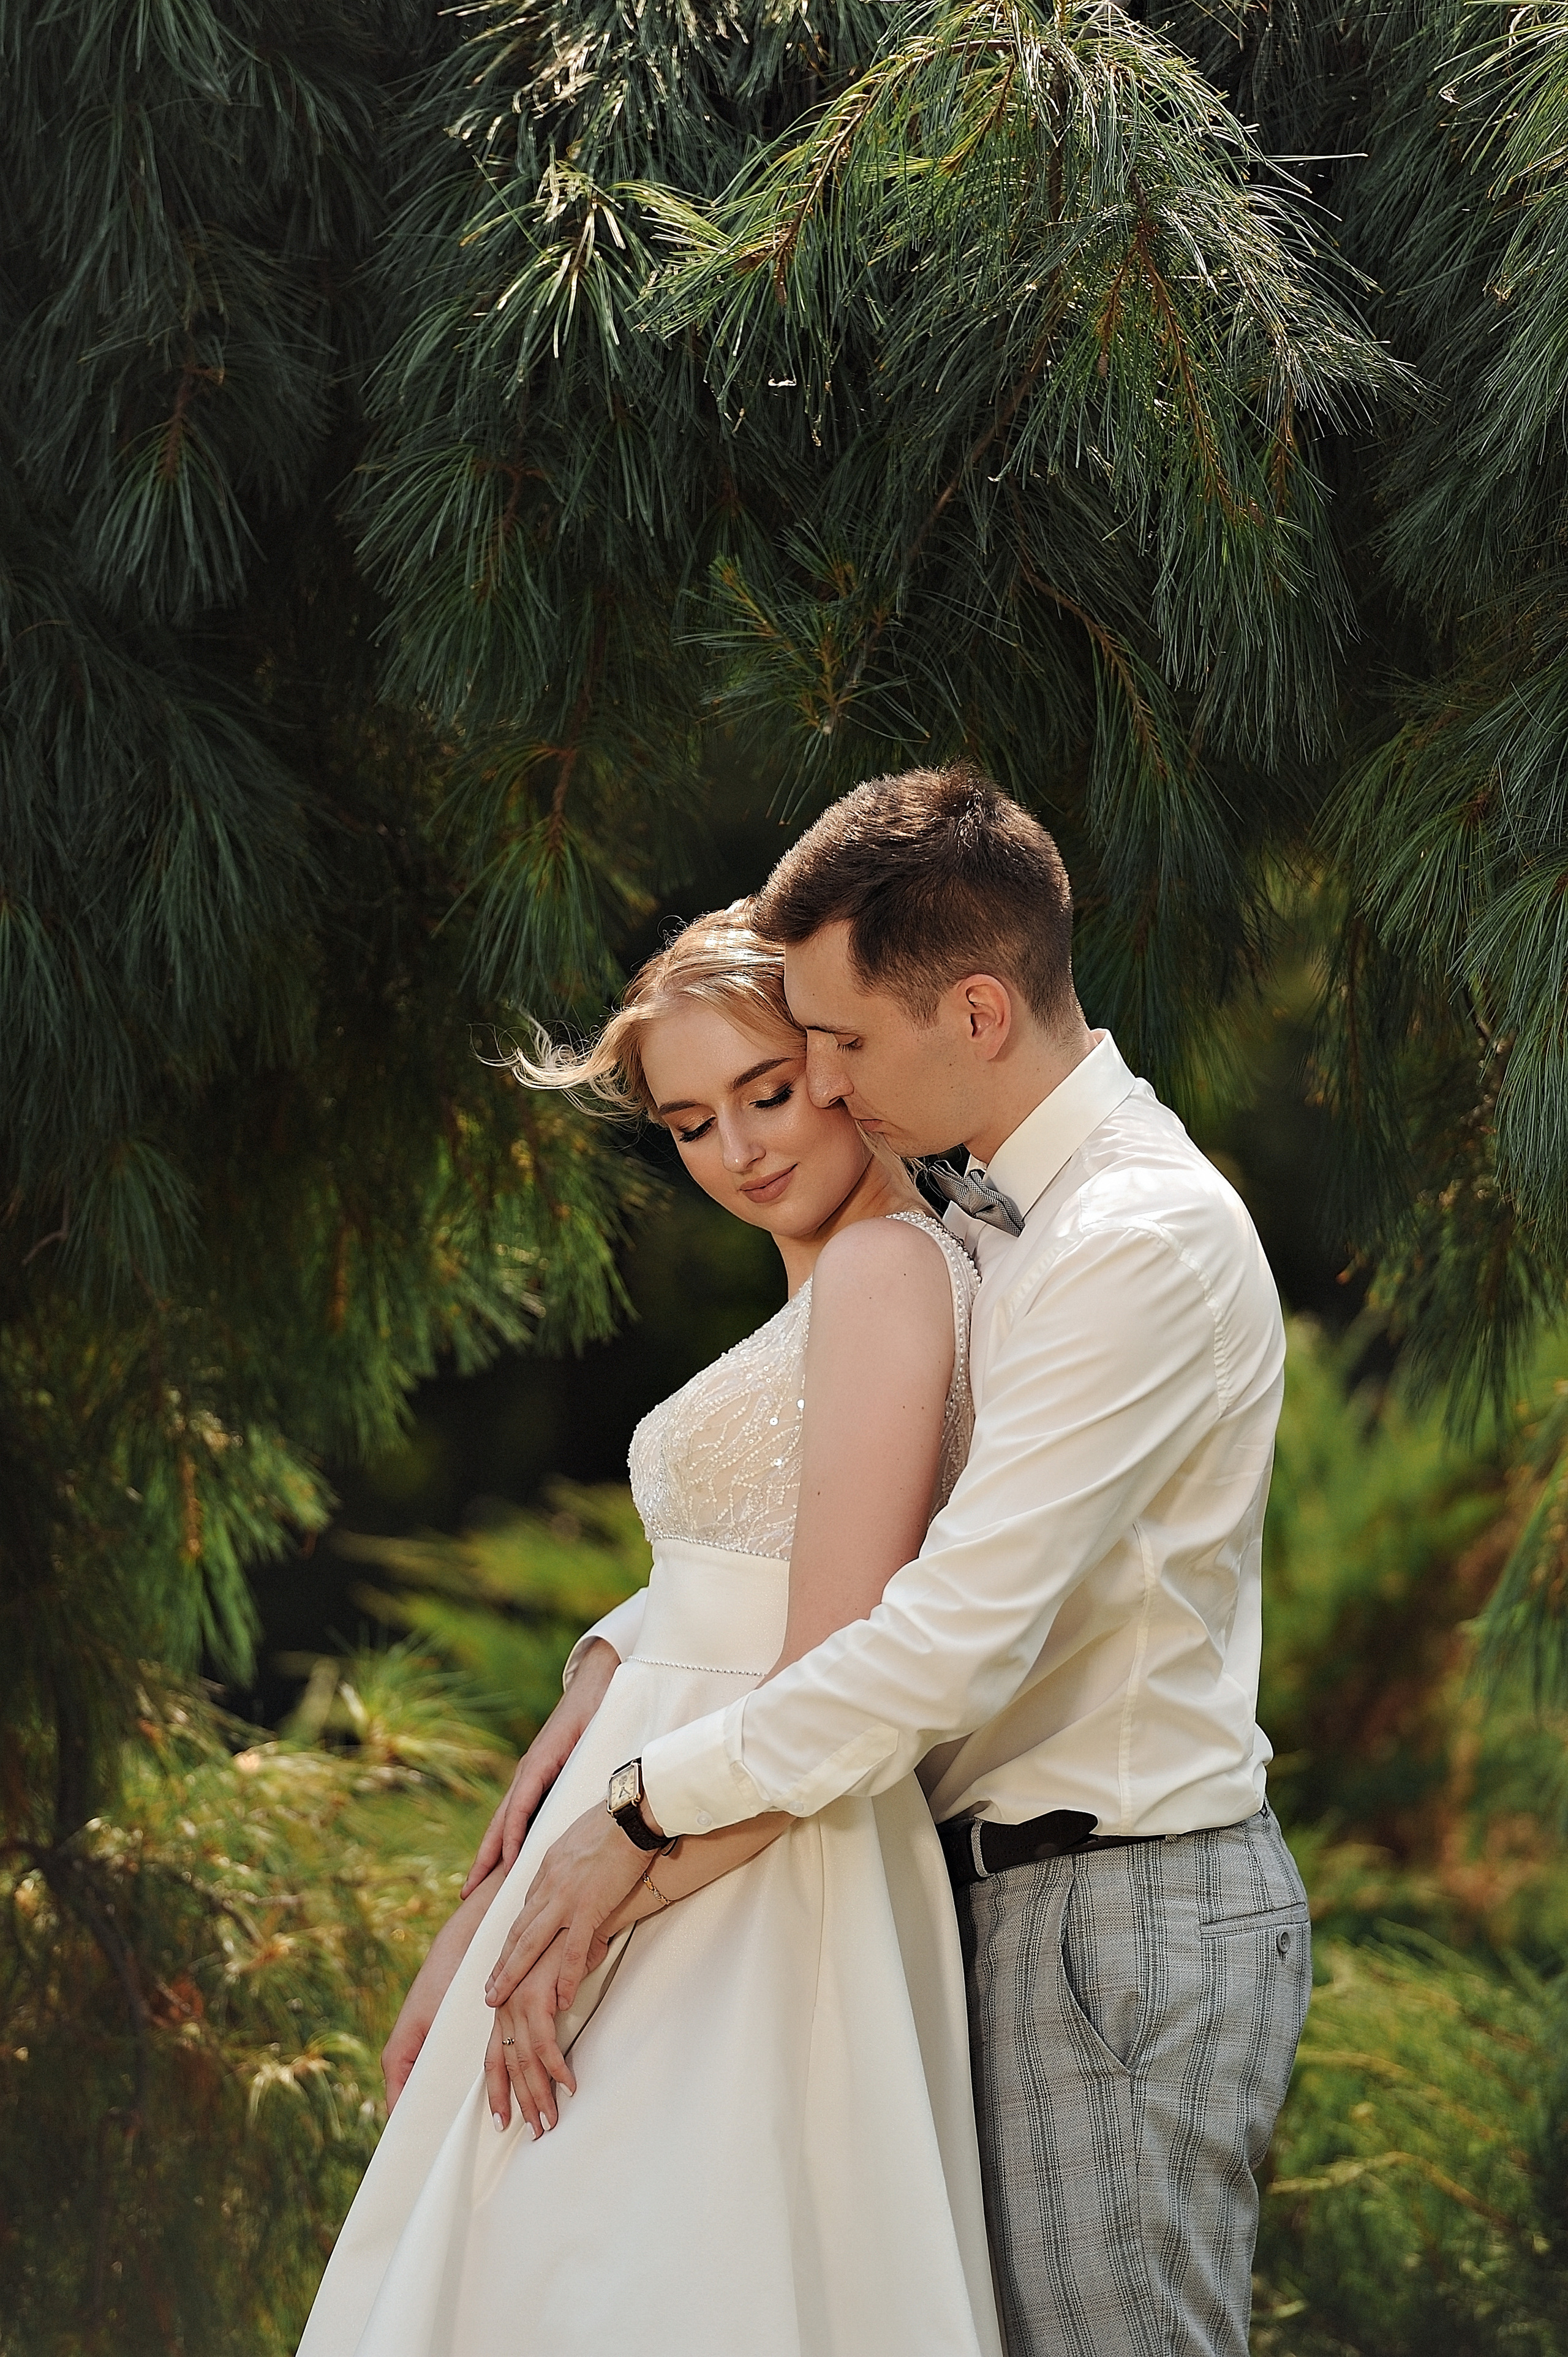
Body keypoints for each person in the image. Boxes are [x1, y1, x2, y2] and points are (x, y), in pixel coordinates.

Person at [484, 766, 1313, 2357]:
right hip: (982, 1898)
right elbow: (810, 1517)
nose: (826, 1085)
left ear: (978, 1012)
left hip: (1112, 1913)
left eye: (843, 1045)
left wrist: (641, 1812)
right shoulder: (989, 1216)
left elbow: (944, 1639)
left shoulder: (1129, 1241)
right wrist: (615, 1656)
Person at [296, 904, 1003, 2357]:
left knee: (636, 2277)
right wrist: (597, 1682)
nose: (737, 1150)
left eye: (766, 1091)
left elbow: (828, 1659)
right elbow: (731, 1566)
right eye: (689, 1123)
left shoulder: (885, 1269)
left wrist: (574, 1914)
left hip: (742, 1855)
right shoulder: (829, 1282)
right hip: (653, 1811)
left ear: (836, 1061)